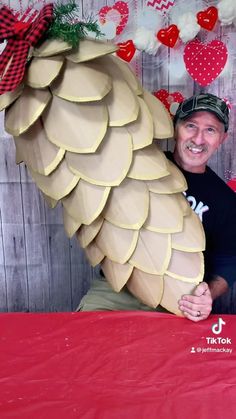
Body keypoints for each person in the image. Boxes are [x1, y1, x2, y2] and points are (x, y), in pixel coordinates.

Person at [79, 93, 236, 322]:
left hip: (179, 298)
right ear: (175, 128)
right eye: (190, 125)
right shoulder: (138, 164)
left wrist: (206, 297)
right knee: (80, 345)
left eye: (210, 130)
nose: (199, 139)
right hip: (117, 290)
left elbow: (228, 261)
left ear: (222, 138)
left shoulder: (225, 201)